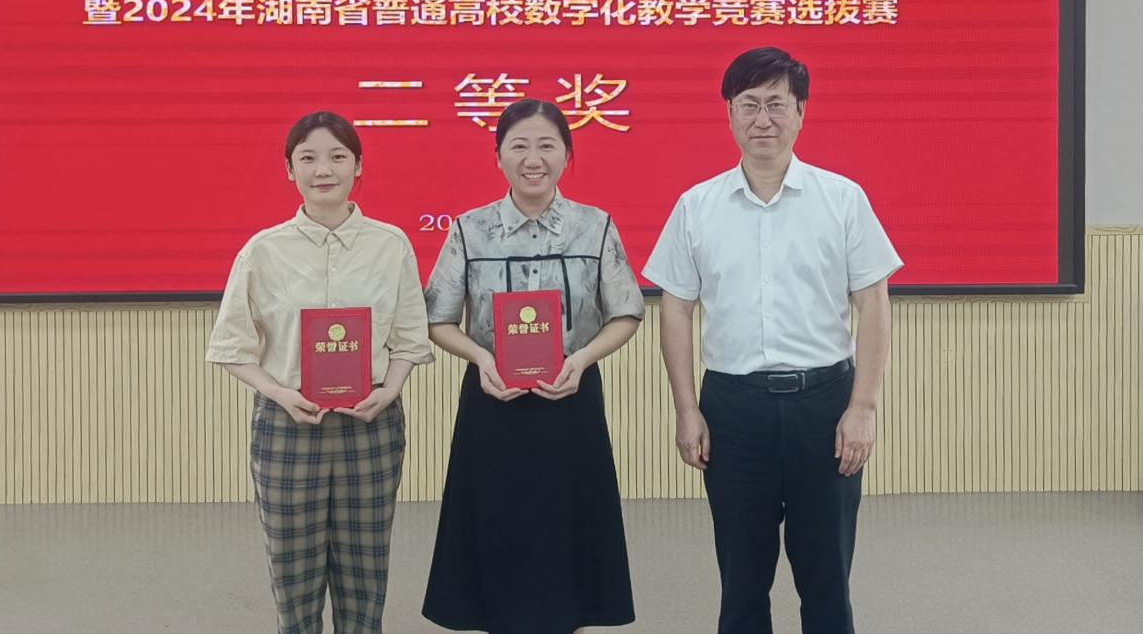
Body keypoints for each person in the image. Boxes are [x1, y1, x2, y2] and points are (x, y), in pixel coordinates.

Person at [643, 47, 903, 634]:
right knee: (741, 581)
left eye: (776, 105)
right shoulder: (697, 206)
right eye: (749, 105)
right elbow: (676, 310)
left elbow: (873, 304)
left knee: (827, 579)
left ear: (801, 112)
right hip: (733, 409)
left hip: (825, 406)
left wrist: (863, 407)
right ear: (730, 114)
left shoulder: (842, 199)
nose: (763, 119)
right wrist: (687, 410)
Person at [421, 98, 645, 634]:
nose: (533, 159)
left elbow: (626, 313)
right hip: (492, 400)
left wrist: (582, 359)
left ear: (567, 154)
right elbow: (437, 319)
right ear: (497, 155)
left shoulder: (595, 226)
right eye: (518, 145)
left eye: (547, 145)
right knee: (496, 528)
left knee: (568, 528)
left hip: (571, 397)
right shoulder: (469, 230)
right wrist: (480, 357)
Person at [205, 111, 433, 634]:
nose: (322, 169)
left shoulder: (390, 244)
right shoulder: (263, 250)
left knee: (365, 571)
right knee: (293, 575)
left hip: (370, 422)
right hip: (288, 424)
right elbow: (233, 346)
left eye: (337, 157)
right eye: (307, 158)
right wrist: (278, 392)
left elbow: (409, 337)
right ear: (290, 169)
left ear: (358, 166)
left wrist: (391, 389)